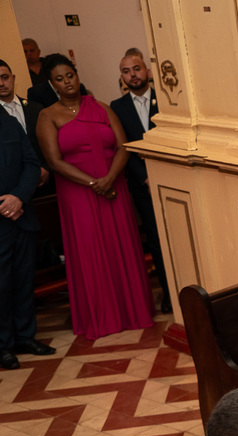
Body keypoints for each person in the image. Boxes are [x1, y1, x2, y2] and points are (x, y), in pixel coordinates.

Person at [36, 53, 154, 340]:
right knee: (90, 250)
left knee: (121, 245)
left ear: (78, 75)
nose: (67, 83)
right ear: (52, 85)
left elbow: (124, 146)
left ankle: (133, 310)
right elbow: (54, 161)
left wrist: (109, 179)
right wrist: (93, 183)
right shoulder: (47, 115)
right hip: (78, 193)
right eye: (59, 79)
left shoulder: (101, 107)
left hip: (114, 186)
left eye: (70, 76)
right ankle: (102, 316)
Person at [110, 51, 171, 313]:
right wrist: (144, 176)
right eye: (126, 71)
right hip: (142, 186)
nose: (132, 74)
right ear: (122, 77)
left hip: (171, 182)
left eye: (136, 68)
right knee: (157, 240)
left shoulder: (167, 102)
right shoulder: (117, 107)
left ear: (147, 71)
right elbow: (123, 146)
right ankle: (169, 293)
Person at [0, 109, 55, 369]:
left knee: (24, 279)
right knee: (1, 285)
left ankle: (25, 337)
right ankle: (3, 345)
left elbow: (31, 163)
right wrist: (5, 204)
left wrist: (19, 197)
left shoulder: (9, 122)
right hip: (2, 216)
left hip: (21, 215)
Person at [0, 59, 50, 192]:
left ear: (13, 78)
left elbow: (49, 143)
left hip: (44, 181)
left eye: (4, 77)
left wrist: (45, 167)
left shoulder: (36, 108)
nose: (1, 83)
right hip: (11, 188)